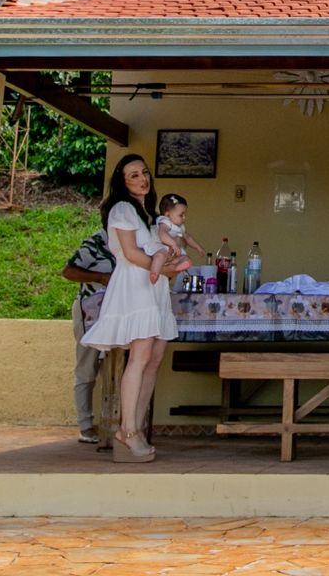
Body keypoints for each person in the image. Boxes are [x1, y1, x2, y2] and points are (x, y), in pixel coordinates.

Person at [80, 154, 191, 463]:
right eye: (133, 175)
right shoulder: (123, 208)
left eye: (144, 173)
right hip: (135, 286)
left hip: (153, 289)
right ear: (122, 182)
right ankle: (126, 431)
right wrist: (165, 270)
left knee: (154, 359)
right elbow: (129, 253)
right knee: (140, 357)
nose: (142, 178)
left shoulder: (148, 214)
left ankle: (137, 428)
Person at [59, 227, 114, 445]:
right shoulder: (96, 243)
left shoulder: (134, 241)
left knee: (113, 368)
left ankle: (113, 423)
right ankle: (85, 426)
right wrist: (101, 277)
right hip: (90, 312)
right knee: (87, 367)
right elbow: (68, 271)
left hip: (117, 313)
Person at [153, 192, 212, 266]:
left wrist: (197, 247)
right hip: (162, 249)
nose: (184, 218)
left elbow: (187, 237)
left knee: (186, 258)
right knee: (159, 256)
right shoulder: (165, 222)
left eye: (185, 215)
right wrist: (173, 244)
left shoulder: (179, 227)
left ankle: (174, 265)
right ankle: (155, 271)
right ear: (167, 215)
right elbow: (162, 234)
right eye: (181, 215)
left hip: (174, 252)